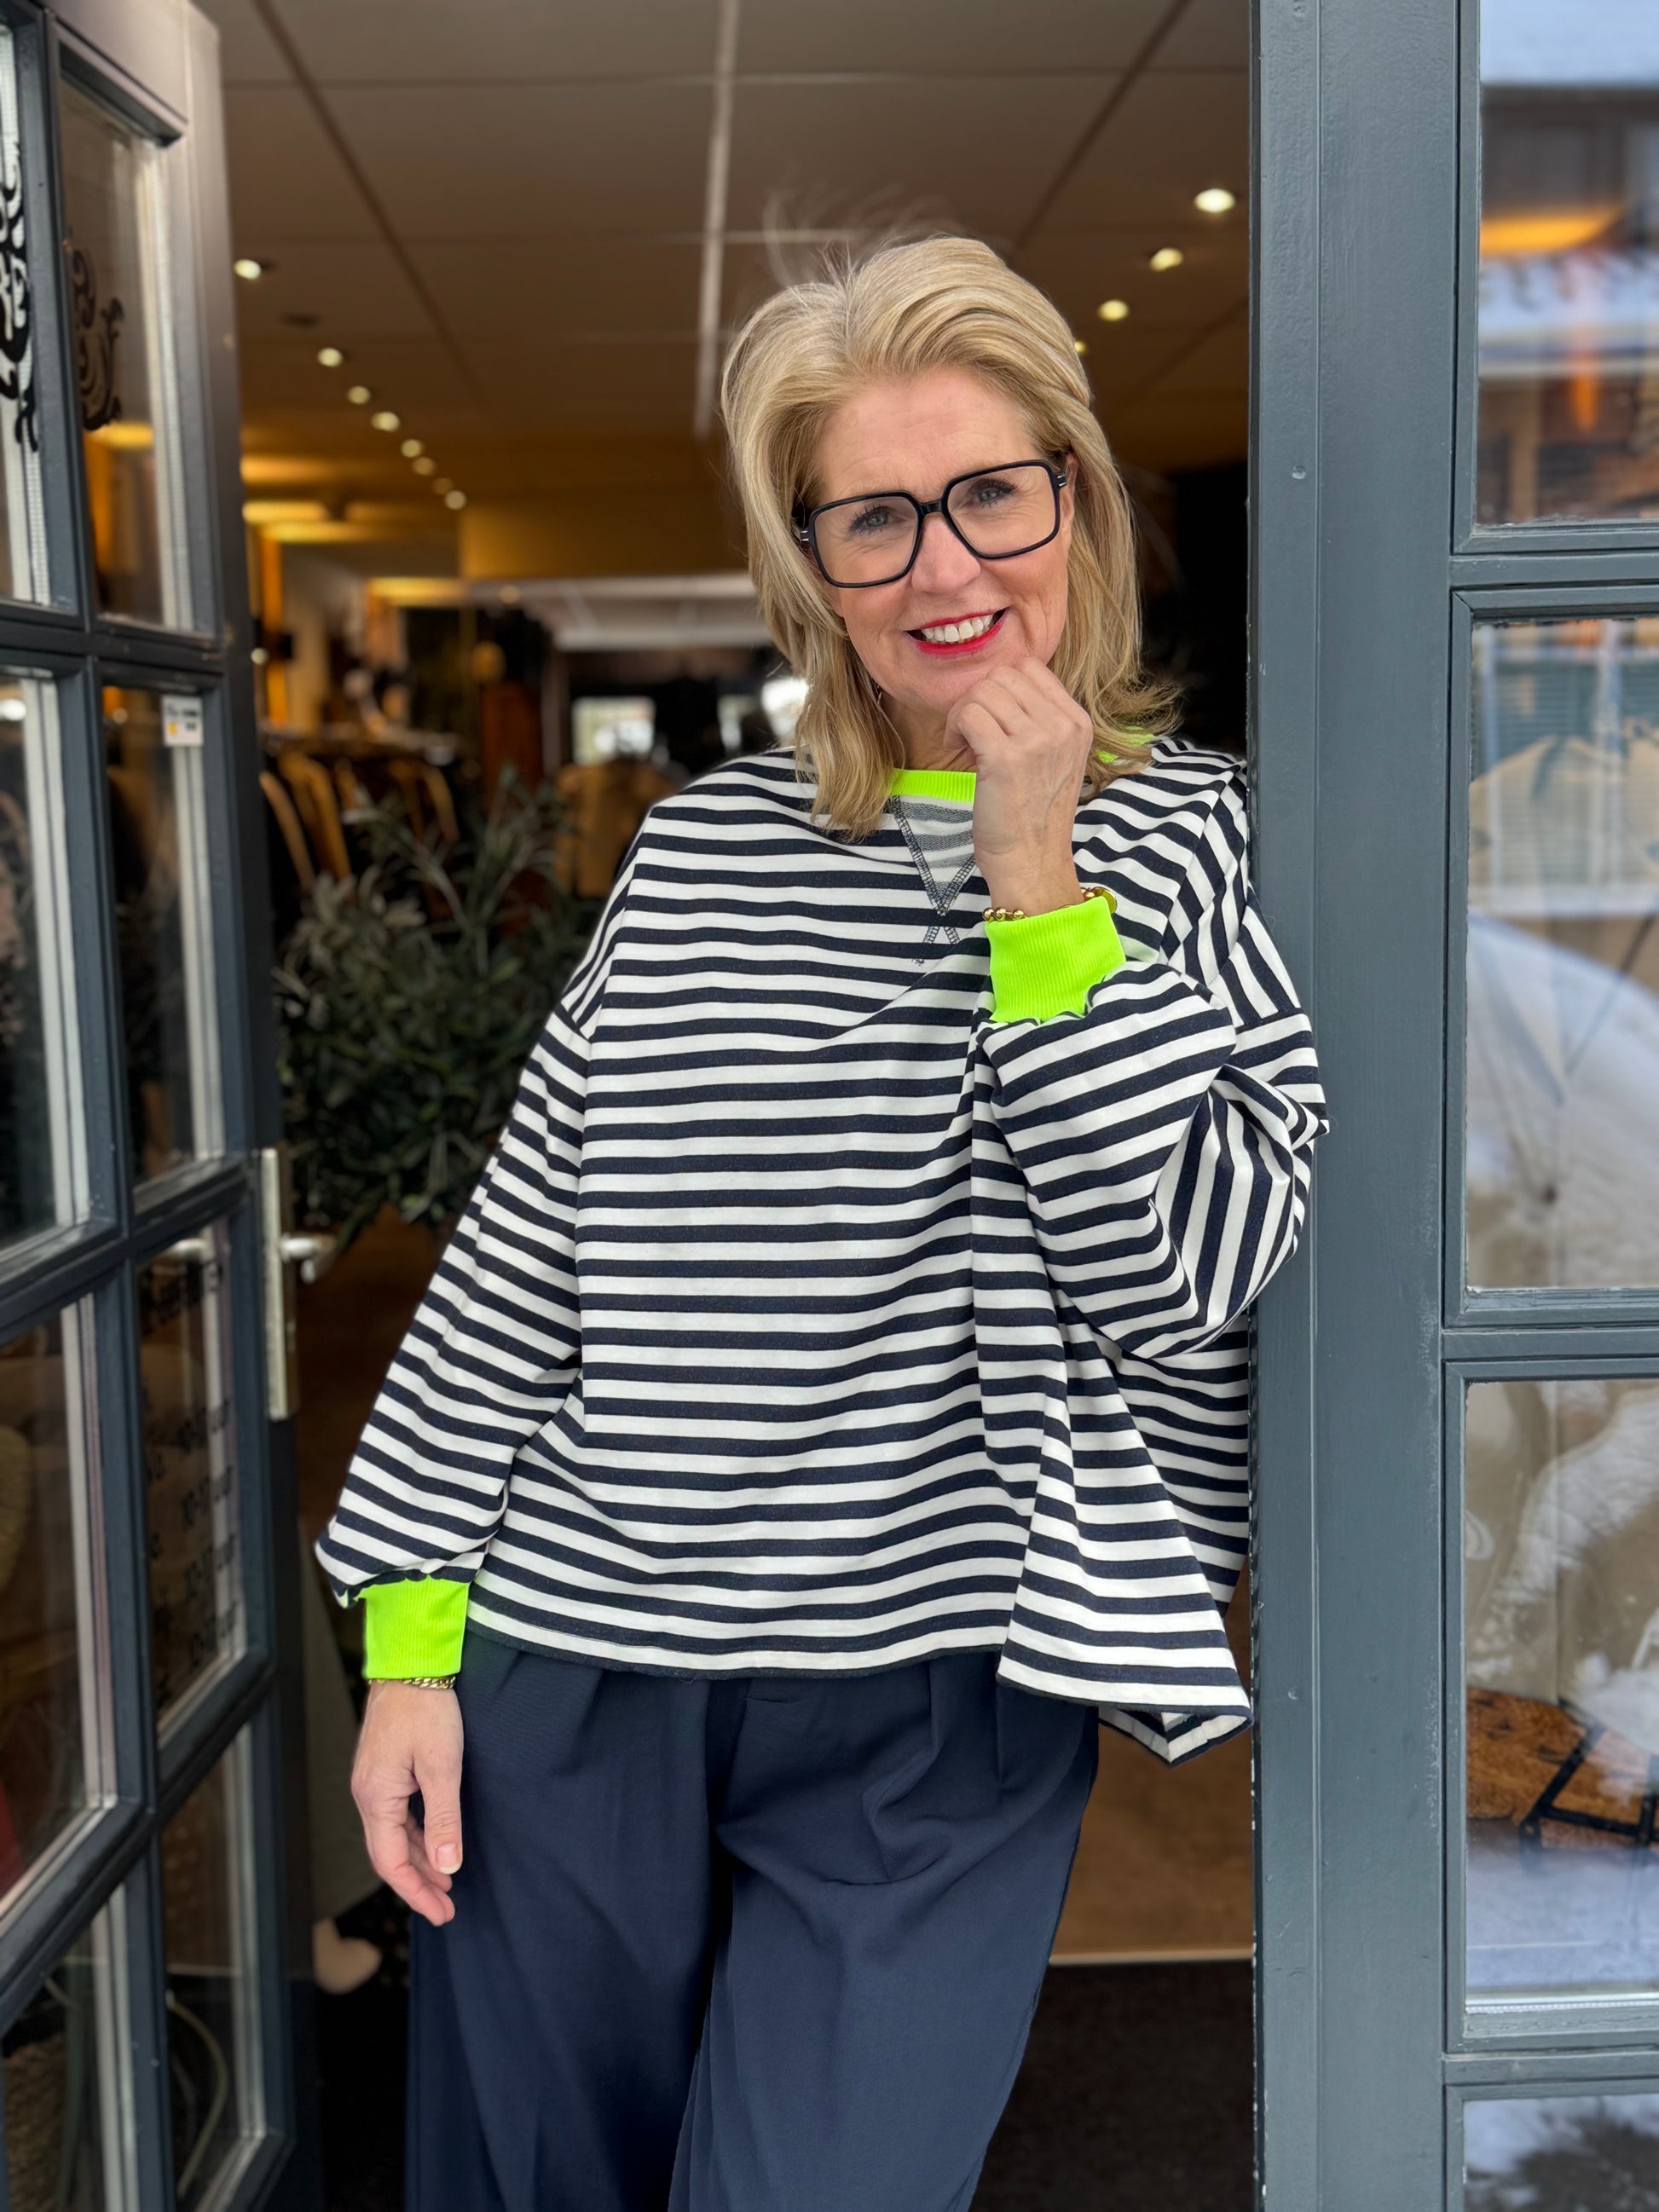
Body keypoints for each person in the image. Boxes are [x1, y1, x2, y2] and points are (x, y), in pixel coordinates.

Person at [318, 235, 1327, 2212]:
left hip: (946, 1689)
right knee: (533, 2180)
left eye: (989, 493)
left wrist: (1036, 880)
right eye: (873, 517)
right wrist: (415, 1652)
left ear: (1075, 501)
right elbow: (521, 1261)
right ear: (814, 567)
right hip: (580, 1660)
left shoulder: (1211, 837)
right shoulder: (704, 846)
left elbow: (1183, 1274)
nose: (944, 566)